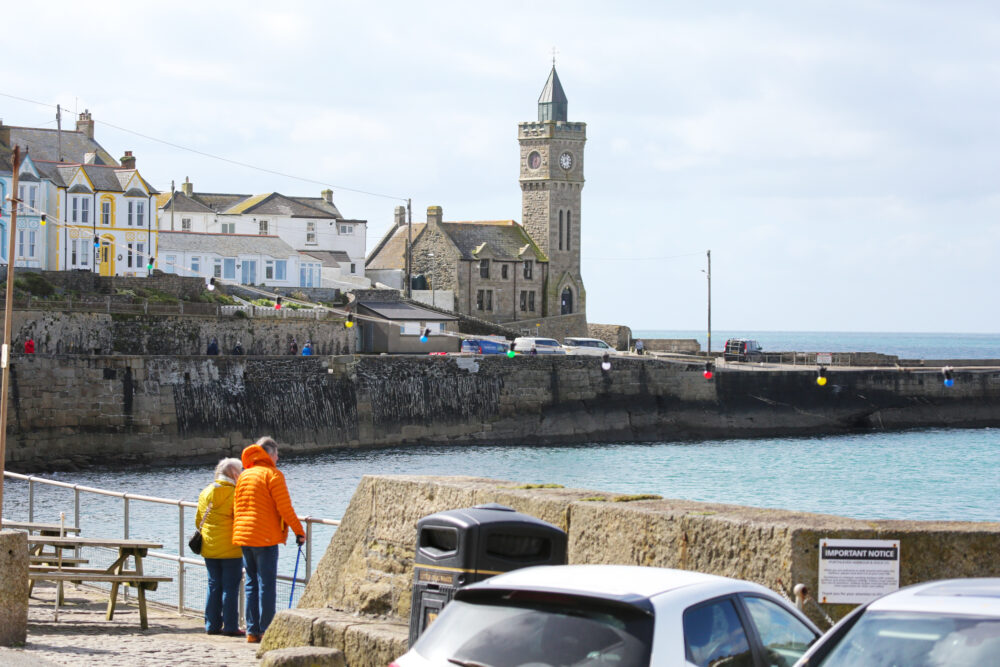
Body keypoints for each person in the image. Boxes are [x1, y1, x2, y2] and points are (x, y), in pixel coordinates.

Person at [232, 437, 306, 643]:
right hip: (265, 538)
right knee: (267, 584)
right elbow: (285, 508)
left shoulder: (244, 475)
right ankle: (267, 629)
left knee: (251, 583)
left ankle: (251, 631)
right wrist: (299, 531)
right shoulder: (273, 475)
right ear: (268, 454)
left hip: (245, 536)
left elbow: (237, 507)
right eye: (276, 454)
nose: (278, 457)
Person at [196, 457, 245, 637]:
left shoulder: (206, 492)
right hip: (231, 548)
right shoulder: (236, 494)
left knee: (213, 584)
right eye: (241, 471)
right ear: (234, 474)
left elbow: (198, 520)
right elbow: (241, 519)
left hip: (209, 547)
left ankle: (211, 624)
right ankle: (231, 626)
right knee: (230, 588)